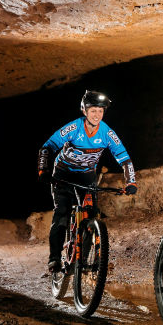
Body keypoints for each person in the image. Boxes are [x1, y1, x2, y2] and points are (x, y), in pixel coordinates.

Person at [38, 90, 137, 273]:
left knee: (90, 216)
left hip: (86, 175)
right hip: (63, 173)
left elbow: (125, 159)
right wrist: (43, 170)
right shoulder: (74, 128)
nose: (97, 115)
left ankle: (81, 261)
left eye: (100, 111)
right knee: (61, 215)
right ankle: (54, 259)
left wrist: (131, 182)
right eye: (93, 111)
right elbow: (47, 147)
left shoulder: (107, 132)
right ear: (84, 111)